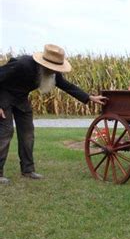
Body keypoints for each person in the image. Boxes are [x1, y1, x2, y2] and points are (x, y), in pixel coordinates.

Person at [0, 44, 107, 184]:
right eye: (52, 69)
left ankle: (28, 170)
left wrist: (89, 97)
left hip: (21, 100)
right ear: (44, 63)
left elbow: (65, 85)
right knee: (6, 132)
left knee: (28, 134)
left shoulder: (52, 71)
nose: (54, 72)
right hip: (4, 97)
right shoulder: (22, 64)